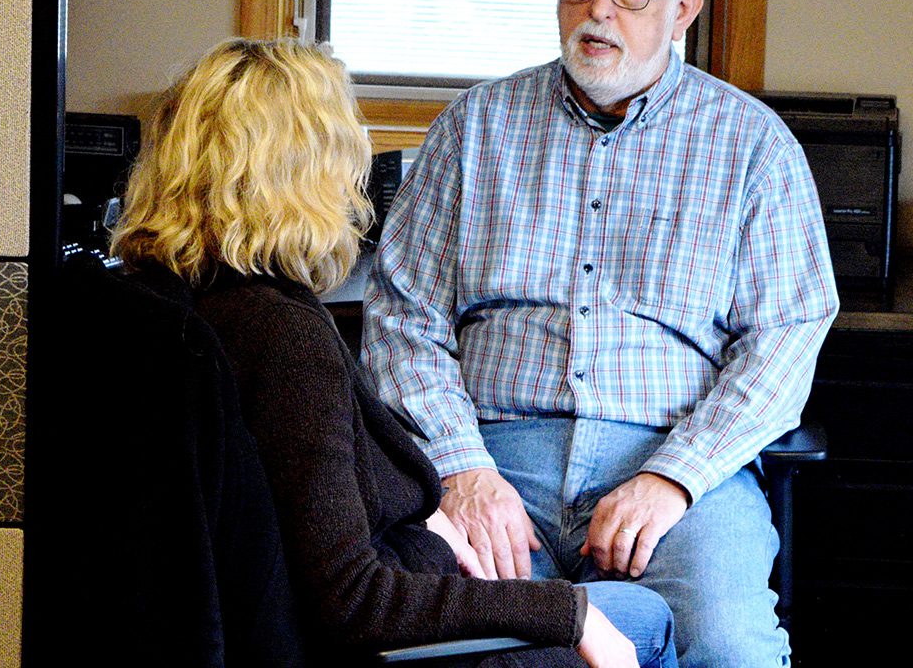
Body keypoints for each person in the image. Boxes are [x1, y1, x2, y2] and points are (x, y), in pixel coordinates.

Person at [363, 0, 840, 667]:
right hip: (492, 460)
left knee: (725, 646)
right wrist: (461, 469)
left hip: (679, 474)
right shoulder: (473, 128)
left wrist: (671, 479)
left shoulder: (754, 148)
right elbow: (400, 319)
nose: (598, 11)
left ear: (684, 8)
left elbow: (784, 342)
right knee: (436, 643)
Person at [109, 37, 677, 668]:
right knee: (644, 616)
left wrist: (421, 515)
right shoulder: (283, 342)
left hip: (377, 592)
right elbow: (354, 600)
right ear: (309, 168)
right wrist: (566, 614)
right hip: (389, 647)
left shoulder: (164, 304)